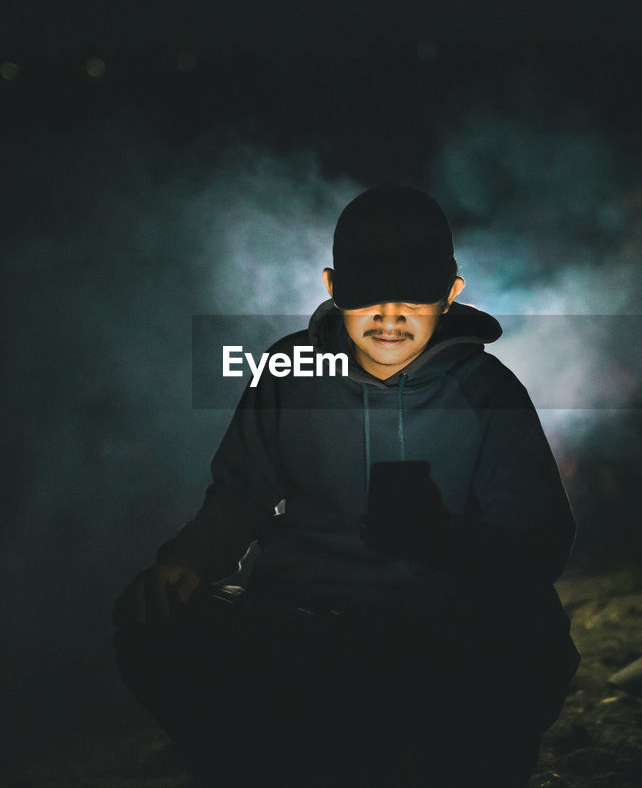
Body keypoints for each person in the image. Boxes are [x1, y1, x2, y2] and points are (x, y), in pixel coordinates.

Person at [113, 185, 580, 787]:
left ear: (451, 291)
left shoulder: (486, 393)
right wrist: (188, 560)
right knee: (156, 620)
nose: (390, 316)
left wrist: (442, 540)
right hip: (304, 629)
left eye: (414, 291)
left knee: (532, 633)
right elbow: (240, 496)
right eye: (367, 292)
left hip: (435, 636)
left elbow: (538, 544)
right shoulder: (292, 372)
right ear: (333, 287)